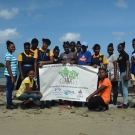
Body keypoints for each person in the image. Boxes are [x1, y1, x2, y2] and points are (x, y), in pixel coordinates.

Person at [34, 38, 53, 109]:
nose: (46, 45)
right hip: (39, 70)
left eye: (47, 44)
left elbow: (51, 61)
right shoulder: (37, 50)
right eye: (45, 43)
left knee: (47, 85)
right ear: (43, 43)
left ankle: (47, 102)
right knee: (40, 86)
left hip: (47, 70)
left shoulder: (49, 51)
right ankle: (42, 102)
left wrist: (43, 63)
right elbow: (35, 61)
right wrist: (35, 72)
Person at [60, 41, 76, 107]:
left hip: (71, 72)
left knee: (71, 86)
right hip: (65, 73)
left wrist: (74, 61)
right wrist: (61, 62)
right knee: (65, 86)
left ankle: (71, 101)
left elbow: (76, 61)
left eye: (67, 47)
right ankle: (66, 101)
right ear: (63, 48)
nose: (66, 48)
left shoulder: (73, 54)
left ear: (69, 47)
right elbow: (59, 62)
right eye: (65, 47)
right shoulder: (61, 55)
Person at [4, 40, 18, 109]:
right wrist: (12, 77)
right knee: (9, 89)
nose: (13, 48)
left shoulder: (11, 55)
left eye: (14, 47)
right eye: (12, 47)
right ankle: (9, 104)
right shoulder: (8, 55)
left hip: (13, 75)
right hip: (10, 75)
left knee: (11, 89)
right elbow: (8, 66)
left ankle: (10, 102)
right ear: (8, 47)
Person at [77, 41, 91, 107]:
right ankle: (80, 101)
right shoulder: (79, 53)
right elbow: (78, 62)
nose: (83, 47)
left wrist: (85, 71)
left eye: (84, 46)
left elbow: (88, 63)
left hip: (85, 73)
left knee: (85, 87)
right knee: (80, 87)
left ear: (87, 47)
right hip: (79, 73)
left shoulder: (88, 53)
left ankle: (85, 102)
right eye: (82, 46)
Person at [117, 42, 130, 109]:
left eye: (120, 48)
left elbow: (128, 65)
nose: (119, 49)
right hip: (121, 72)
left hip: (125, 72)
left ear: (123, 48)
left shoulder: (125, 55)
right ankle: (126, 101)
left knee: (124, 88)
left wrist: (127, 75)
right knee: (120, 87)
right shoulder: (119, 56)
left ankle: (125, 104)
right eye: (118, 48)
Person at [130, 38, 135, 108]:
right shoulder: (132, 53)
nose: (134, 45)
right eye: (133, 44)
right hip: (133, 72)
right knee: (134, 88)